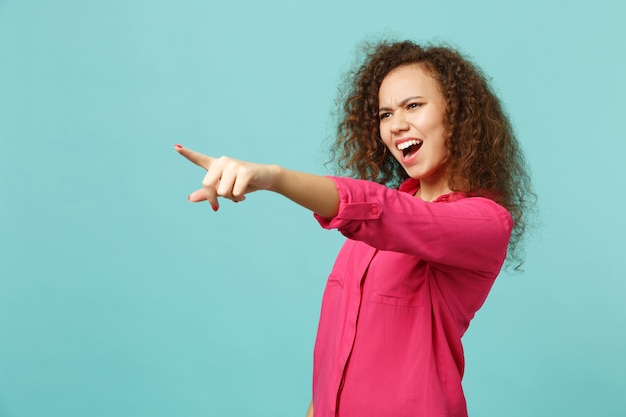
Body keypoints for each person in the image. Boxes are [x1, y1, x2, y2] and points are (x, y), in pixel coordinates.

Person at [175, 39, 534, 417]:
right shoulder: (364, 241)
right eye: (384, 114)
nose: (397, 125)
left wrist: (273, 178)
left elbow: (388, 214)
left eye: (413, 106)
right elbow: (335, 361)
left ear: (457, 113)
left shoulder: (485, 223)